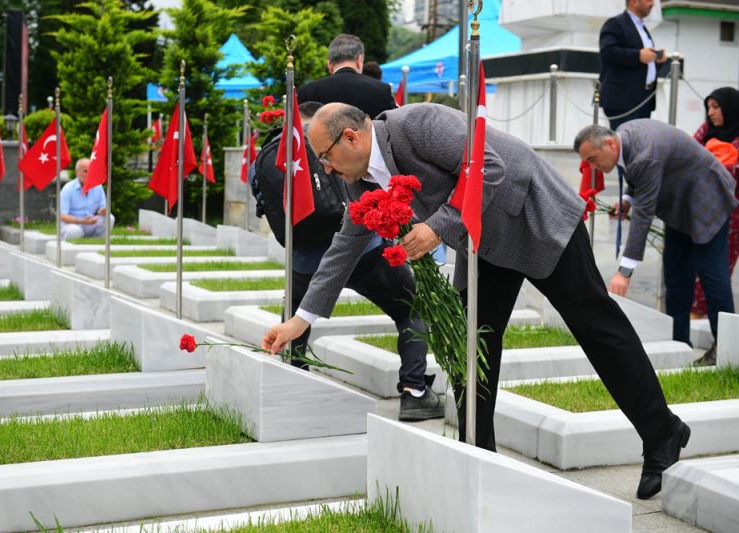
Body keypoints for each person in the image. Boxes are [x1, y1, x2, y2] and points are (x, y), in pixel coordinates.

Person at [263, 102, 691, 500]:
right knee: (471, 346)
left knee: (598, 329)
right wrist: (300, 320)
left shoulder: (418, 124)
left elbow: (488, 167)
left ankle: (662, 433)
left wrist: (435, 228)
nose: (325, 168)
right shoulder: (359, 183)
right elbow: (346, 243)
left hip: (532, 216)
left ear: (352, 137)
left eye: (325, 156)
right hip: (482, 244)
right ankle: (478, 456)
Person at [251, 101, 443, 422]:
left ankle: (294, 383)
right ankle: (414, 391)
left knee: (297, 325)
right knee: (410, 309)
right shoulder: (352, 120)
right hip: (367, 251)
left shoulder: (276, 148)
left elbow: (261, 200)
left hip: (304, 260)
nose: (325, 165)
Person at [575, 121, 737, 366]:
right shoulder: (624, 138)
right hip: (678, 205)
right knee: (675, 276)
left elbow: (644, 213)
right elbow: (637, 175)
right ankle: (679, 344)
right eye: (588, 162)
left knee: (712, 277)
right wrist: (628, 198)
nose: (592, 167)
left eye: (593, 159)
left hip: (706, 200)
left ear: (609, 143)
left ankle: (728, 353)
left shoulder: (644, 154)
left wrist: (625, 271)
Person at [690, 87, 739, 334]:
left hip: (731, 217)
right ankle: (697, 330)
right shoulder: (705, 130)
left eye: (716, 107)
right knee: (692, 272)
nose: (711, 113)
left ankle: (718, 337)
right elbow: (688, 153)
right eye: (708, 107)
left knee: (716, 274)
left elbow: (729, 173)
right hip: (699, 212)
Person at [599, 0, 669, 129]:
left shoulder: (641, 27)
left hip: (643, 99)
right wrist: (638, 56)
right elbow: (607, 52)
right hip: (622, 101)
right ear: (634, 2)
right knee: (626, 144)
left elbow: (642, 63)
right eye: (649, 0)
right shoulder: (615, 24)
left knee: (638, 144)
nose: (653, 4)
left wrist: (656, 61)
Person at [298, 34, 397, 119]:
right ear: (359, 60)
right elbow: (392, 128)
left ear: (329, 64)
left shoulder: (307, 91)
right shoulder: (382, 90)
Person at [59, 158, 115, 240]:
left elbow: (103, 208)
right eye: (85, 171)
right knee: (74, 231)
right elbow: (62, 216)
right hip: (72, 224)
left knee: (110, 218)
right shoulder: (68, 188)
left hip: (90, 222)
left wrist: (103, 211)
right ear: (77, 173)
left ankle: (98, 240)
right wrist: (81, 221)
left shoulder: (98, 187)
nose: (89, 174)